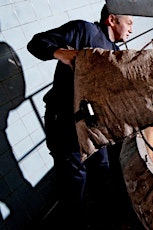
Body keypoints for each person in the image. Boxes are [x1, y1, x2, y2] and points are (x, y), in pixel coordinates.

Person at [27, 4, 133, 229]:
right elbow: (36, 42)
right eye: (129, 22)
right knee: (74, 183)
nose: (132, 29)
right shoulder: (84, 31)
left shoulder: (114, 51)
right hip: (64, 123)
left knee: (103, 170)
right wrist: (59, 52)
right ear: (112, 20)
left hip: (93, 125)